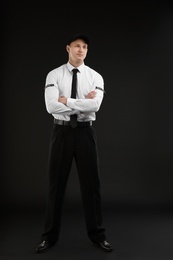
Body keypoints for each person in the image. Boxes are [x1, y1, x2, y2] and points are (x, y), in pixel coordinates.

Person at [35, 33, 113, 253]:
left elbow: (95, 106)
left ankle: (98, 235)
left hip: (85, 133)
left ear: (87, 51)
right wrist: (83, 103)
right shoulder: (54, 74)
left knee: (92, 186)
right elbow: (51, 107)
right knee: (55, 186)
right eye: (77, 46)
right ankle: (48, 237)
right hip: (61, 132)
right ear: (68, 48)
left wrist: (66, 100)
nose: (81, 50)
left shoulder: (95, 77)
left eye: (85, 47)